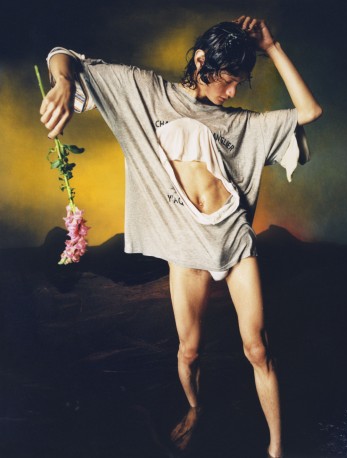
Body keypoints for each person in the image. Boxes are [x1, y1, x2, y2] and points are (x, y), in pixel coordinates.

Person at [40, 15, 322, 457]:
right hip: (186, 247)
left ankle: (276, 449)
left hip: (232, 240)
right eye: (228, 80)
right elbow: (64, 56)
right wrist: (61, 83)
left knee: (256, 348)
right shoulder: (146, 93)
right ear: (201, 61)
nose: (232, 92)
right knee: (189, 351)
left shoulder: (239, 123)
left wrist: (272, 46)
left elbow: (309, 113)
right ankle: (195, 409)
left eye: (239, 84)